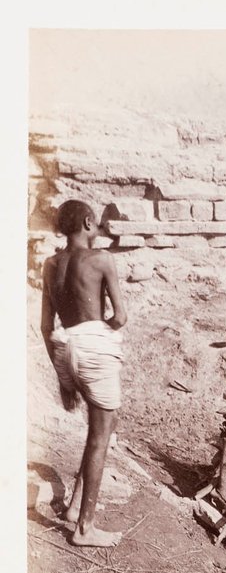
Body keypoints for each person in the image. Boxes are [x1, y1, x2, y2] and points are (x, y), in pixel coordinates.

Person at [39, 199, 129, 547]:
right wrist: (102, 333)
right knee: (101, 434)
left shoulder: (50, 265)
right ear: (89, 222)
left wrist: (64, 378)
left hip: (64, 346)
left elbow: (46, 326)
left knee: (98, 430)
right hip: (93, 343)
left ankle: (76, 508)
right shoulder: (102, 259)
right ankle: (84, 529)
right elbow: (120, 316)